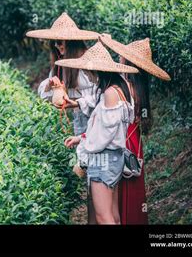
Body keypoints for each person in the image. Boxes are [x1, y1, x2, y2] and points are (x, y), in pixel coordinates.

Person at [26, 12, 100, 224]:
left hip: (95, 122)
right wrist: (51, 86)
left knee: (94, 174)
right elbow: (45, 92)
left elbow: (102, 96)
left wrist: (77, 102)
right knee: (88, 176)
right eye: (55, 43)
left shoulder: (87, 61)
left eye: (61, 42)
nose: (58, 47)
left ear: (73, 41)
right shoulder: (61, 63)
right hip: (80, 121)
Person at [58, 42, 139, 224]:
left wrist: (84, 150)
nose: (85, 74)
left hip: (103, 159)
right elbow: (106, 129)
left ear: (96, 70)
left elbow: (102, 137)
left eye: (87, 70)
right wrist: (81, 137)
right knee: (113, 214)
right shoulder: (120, 87)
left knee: (103, 217)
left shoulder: (110, 93)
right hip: (114, 157)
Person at [100, 35, 171, 225]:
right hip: (134, 140)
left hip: (122, 138)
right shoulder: (140, 87)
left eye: (123, 56)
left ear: (128, 61)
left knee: (119, 186)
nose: (120, 59)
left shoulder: (123, 87)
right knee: (133, 185)